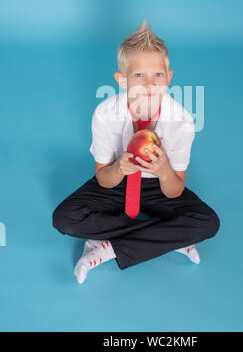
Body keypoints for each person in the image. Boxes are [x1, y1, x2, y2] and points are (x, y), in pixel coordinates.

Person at [52, 19, 220, 284]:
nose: (150, 84)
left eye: (158, 75)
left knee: (208, 222)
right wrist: (119, 167)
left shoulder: (182, 120)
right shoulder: (105, 114)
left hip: (157, 185)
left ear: (169, 78)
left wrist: (164, 171)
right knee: (65, 218)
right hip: (117, 182)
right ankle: (171, 238)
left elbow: (174, 190)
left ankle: (106, 246)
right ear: (122, 80)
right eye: (139, 75)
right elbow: (103, 178)